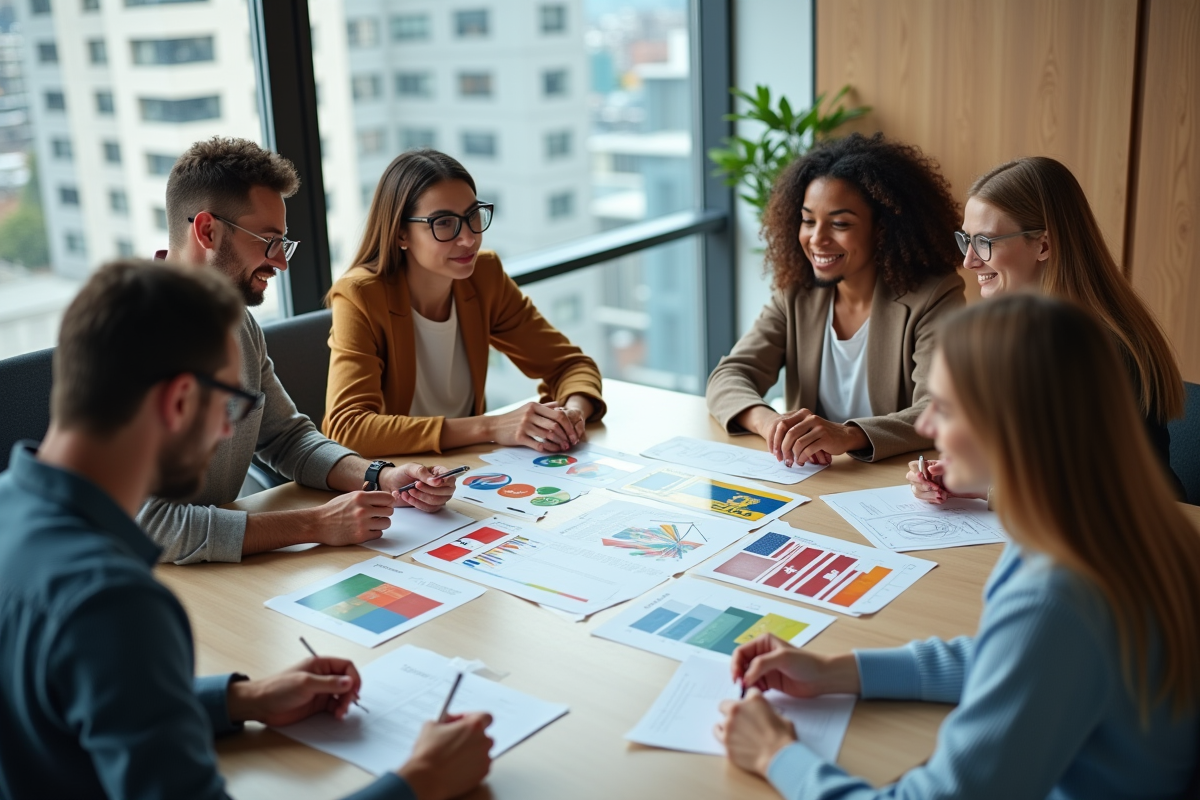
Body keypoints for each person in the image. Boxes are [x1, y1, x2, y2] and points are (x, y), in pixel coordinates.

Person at [0, 260, 493, 800]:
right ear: (180, 401)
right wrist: (416, 782)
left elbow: (69, 700)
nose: (230, 430)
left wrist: (241, 699)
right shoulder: (114, 602)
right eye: (230, 403)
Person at [717, 294, 1200, 799]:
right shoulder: (1095, 520)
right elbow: (1009, 660)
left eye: (944, 408)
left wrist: (776, 755)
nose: (925, 427)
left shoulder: (1056, 594)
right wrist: (837, 671)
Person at [140, 137, 458, 564]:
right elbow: (152, 525)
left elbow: (287, 438)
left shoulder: (234, 320)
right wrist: (315, 524)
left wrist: (381, 476)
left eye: (283, 243)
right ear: (207, 231)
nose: (282, 262)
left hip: (211, 571)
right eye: (268, 240)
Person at [907, 156, 1185, 502]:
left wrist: (989, 488)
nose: (969, 261)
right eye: (967, 240)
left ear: (1044, 245)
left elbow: (1096, 489)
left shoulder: (1105, 347)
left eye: (985, 242)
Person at [323, 149, 605, 458]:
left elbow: (570, 365)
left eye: (472, 215)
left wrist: (572, 414)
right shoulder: (360, 295)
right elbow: (348, 428)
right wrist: (491, 427)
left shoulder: (484, 276)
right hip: (399, 482)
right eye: (444, 223)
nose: (469, 239)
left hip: (472, 468)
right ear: (401, 233)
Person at [706, 132, 965, 466]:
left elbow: (939, 410)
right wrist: (772, 424)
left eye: (839, 223)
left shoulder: (933, 295)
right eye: (808, 220)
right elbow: (729, 375)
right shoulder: (798, 293)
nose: (816, 239)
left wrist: (847, 435)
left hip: (891, 484)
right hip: (812, 478)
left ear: (883, 228)